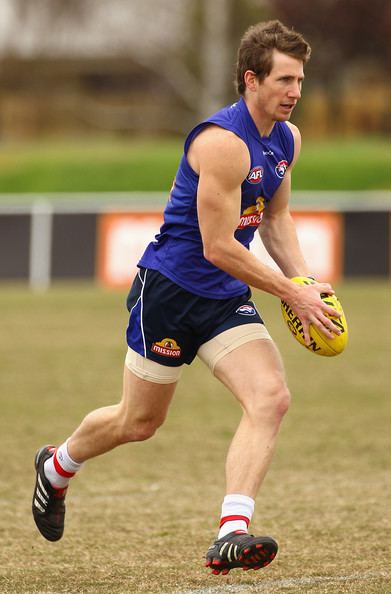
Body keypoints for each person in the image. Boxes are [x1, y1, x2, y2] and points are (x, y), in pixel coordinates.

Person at [32, 20, 341, 575]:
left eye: (301, 79)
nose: (296, 91)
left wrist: (305, 280)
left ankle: (233, 529)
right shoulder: (221, 143)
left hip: (224, 299)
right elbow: (219, 246)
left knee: (270, 397)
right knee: (138, 422)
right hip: (170, 292)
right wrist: (292, 295)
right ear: (251, 79)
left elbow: (276, 218)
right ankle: (57, 466)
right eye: (285, 80)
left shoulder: (287, 140)